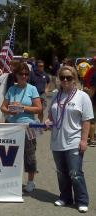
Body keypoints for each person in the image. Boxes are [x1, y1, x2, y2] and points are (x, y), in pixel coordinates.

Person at [45, 66, 92, 213]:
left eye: (69, 78)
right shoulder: (56, 95)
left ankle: (82, 200)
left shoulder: (82, 96)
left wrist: (84, 141)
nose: (65, 80)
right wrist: (47, 121)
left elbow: (87, 121)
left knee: (75, 173)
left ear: (75, 79)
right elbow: (51, 116)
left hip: (74, 140)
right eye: (63, 77)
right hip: (57, 141)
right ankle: (65, 197)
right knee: (61, 172)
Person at [0, 62, 42, 192]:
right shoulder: (12, 89)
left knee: (29, 154)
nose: (24, 76)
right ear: (16, 75)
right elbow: (3, 107)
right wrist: (9, 111)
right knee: (11, 154)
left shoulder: (32, 89)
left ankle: (30, 181)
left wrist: (23, 108)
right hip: (12, 125)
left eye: (26, 74)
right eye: (21, 74)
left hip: (28, 125)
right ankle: (13, 181)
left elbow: (39, 109)